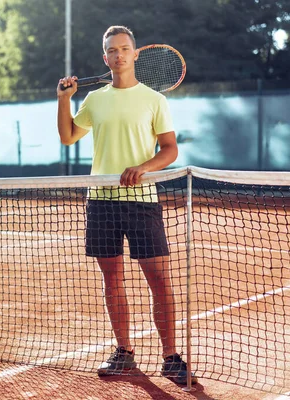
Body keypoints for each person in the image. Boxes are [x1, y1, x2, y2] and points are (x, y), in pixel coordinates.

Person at [57, 25, 197, 385]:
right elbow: (69, 136)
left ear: (135, 54)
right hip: (101, 202)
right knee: (113, 280)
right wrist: (64, 99)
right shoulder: (95, 100)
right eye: (112, 51)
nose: (118, 55)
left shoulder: (154, 99)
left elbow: (169, 149)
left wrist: (143, 167)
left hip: (141, 202)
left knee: (160, 282)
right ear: (105, 58)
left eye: (124, 49)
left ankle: (170, 356)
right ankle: (124, 352)